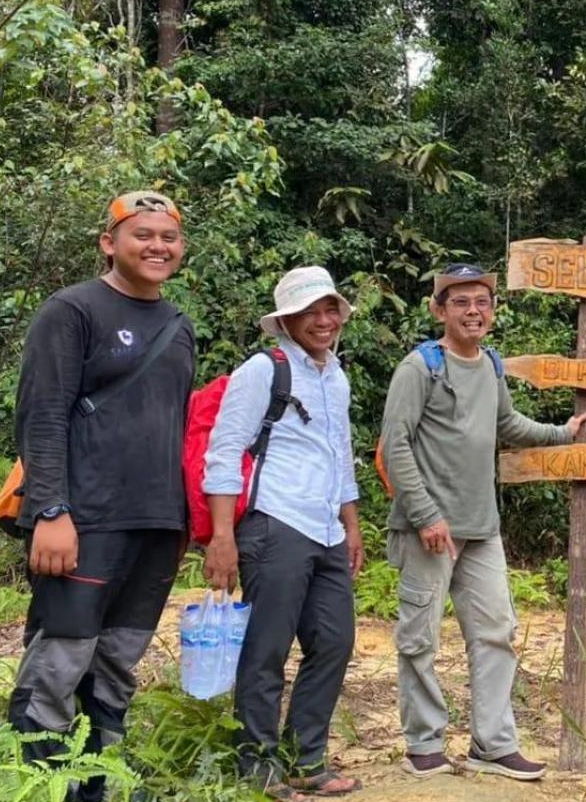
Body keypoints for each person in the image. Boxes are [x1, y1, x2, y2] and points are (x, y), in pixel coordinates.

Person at [9, 191, 196, 802]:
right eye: (142, 234)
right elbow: (41, 418)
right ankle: (43, 783)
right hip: (84, 520)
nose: (157, 247)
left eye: (168, 237)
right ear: (108, 242)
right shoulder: (71, 311)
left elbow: (176, 425)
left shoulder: (178, 325)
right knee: (63, 655)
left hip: (156, 521)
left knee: (118, 656)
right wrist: (51, 510)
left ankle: (100, 782)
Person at [380, 262, 586, 782]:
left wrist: (561, 433)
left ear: (492, 311)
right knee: (420, 638)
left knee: (497, 632)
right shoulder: (419, 367)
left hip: (481, 529)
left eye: (482, 302)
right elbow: (394, 445)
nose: (473, 311)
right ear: (439, 310)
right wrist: (426, 514)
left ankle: (492, 744)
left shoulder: (491, 365)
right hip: (429, 530)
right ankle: (423, 743)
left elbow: (506, 424)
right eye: (461, 302)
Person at [203, 266, 363, 800]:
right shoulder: (262, 370)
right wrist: (222, 536)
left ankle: (304, 758)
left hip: (325, 529)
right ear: (286, 321)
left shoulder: (334, 376)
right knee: (266, 648)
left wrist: (351, 523)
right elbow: (224, 452)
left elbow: (340, 454)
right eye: (309, 312)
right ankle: (258, 764)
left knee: (335, 641)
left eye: (329, 310)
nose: (323, 321)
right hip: (275, 523)